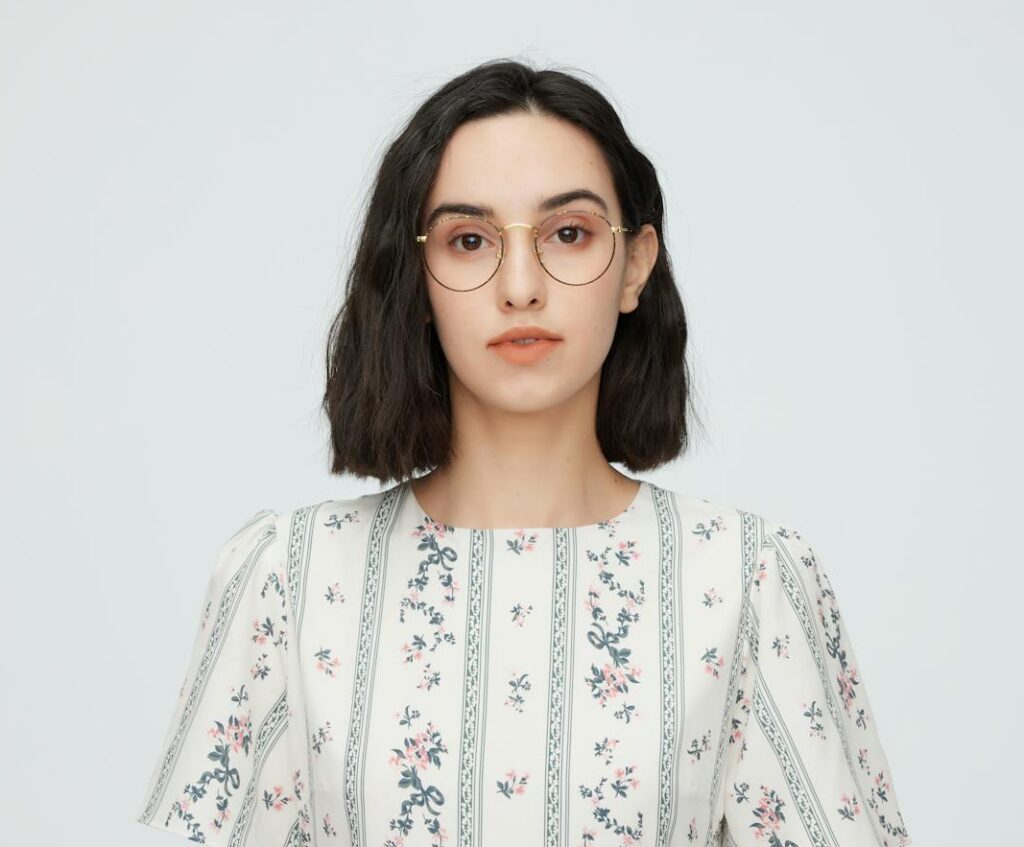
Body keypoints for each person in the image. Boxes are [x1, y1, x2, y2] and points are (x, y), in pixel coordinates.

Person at [135, 58, 912, 847]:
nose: (519, 285)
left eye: (567, 234)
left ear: (635, 264)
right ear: (418, 277)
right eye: (469, 239)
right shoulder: (286, 581)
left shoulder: (746, 578)